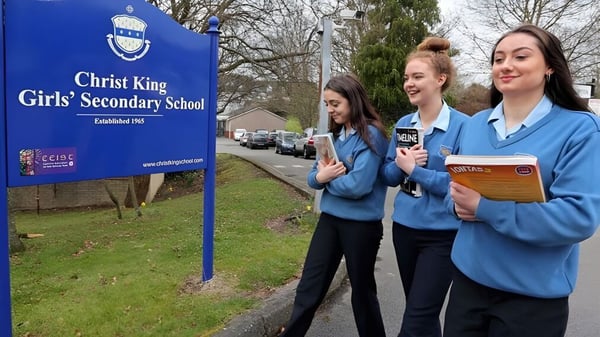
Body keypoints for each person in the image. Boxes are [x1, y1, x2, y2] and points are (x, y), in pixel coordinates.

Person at [443, 24, 600, 337]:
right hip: (466, 284)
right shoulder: (474, 125)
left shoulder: (581, 129)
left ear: (550, 67)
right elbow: (455, 194)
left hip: (532, 298)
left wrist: (485, 208)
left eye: (520, 56)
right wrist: (456, 203)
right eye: (498, 58)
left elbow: (578, 217)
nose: (505, 65)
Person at [280, 74, 389, 337]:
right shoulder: (335, 137)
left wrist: (326, 181)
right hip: (330, 222)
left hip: (361, 227)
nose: (330, 110)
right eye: (327, 104)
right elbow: (312, 178)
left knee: (362, 295)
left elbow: (358, 186)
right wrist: (322, 177)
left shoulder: (371, 135)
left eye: (335, 103)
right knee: (309, 287)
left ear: (353, 100)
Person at [379, 37, 470, 337]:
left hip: (443, 237)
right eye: (407, 77)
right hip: (404, 230)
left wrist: (415, 171)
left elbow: (462, 185)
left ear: (440, 79)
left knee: (417, 318)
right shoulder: (405, 123)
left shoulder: (464, 126)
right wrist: (402, 166)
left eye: (417, 77)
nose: (409, 83)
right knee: (422, 313)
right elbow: (389, 175)